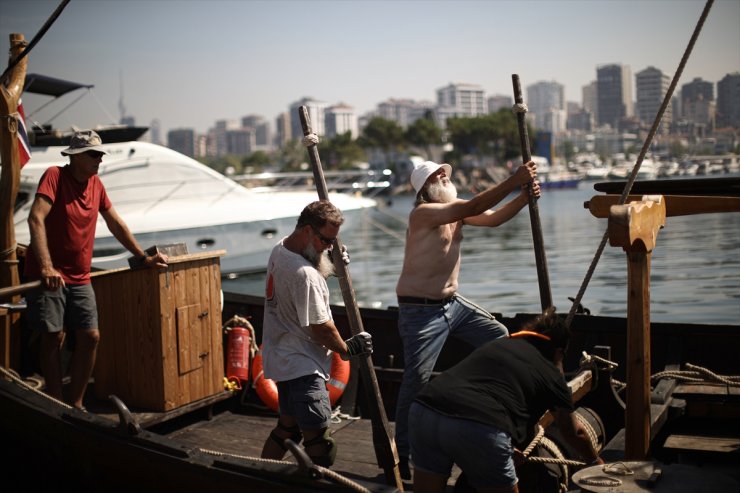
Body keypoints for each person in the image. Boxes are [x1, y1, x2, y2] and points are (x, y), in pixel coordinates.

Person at [394, 160, 540, 478]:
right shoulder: (424, 213)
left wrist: (523, 198)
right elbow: (476, 203)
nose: (444, 176)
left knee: (499, 338)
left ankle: (482, 405)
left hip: (453, 305)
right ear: (424, 189)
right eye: (436, 175)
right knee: (416, 381)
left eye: (444, 172)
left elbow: (492, 218)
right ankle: (402, 453)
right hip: (420, 312)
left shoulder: (455, 212)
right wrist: (514, 180)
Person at [25, 130, 168, 411]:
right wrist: (46, 266)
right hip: (50, 275)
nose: (99, 159)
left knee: (91, 336)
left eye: (100, 154)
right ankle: (55, 402)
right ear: (75, 157)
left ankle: (76, 403)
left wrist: (142, 258)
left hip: (80, 276)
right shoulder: (55, 176)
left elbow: (116, 224)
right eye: (93, 154)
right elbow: (35, 218)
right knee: (53, 336)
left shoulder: (96, 185)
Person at [409, 308, 604, 493]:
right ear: (559, 352)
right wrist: (595, 463)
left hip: (425, 410)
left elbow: (491, 390)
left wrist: (506, 446)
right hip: (479, 426)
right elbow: (573, 432)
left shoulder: (496, 345)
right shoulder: (552, 374)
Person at [260, 200, 373, 467]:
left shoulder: (281, 249)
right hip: (303, 368)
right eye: (325, 240)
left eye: (333, 242)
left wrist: (331, 260)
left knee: (287, 430)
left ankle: (259, 475)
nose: (329, 246)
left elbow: (313, 264)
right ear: (308, 231)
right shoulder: (305, 274)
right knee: (321, 446)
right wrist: (347, 349)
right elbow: (321, 327)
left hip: (283, 359)